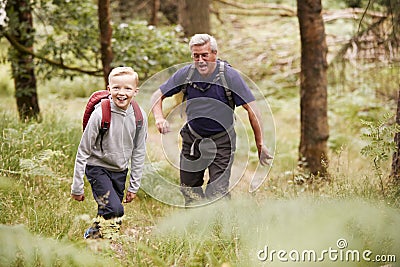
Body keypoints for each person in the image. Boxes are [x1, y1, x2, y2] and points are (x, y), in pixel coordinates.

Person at [151, 33, 272, 206]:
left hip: (222, 140)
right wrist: (159, 118)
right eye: (196, 56)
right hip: (192, 139)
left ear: (214, 54)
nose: (200, 60)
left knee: (217, 192)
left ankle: (218, 228)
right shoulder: (186, 74)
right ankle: (195, 228)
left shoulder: (230, 76)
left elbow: (252, 110)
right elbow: (158, 95)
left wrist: (260, 144)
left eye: (204, 55)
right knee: (189, 191)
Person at [71, 67, 147, 239]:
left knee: (107, 211)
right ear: (108, 89)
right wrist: (77, 186)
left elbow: (139, 151)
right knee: (115, 209)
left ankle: (96, 240)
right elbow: (83, 151)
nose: (122, 93)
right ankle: (96, 236)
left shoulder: (139, 116)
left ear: (136, 91)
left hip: (120, 171)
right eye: (116, 88)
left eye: (128, 88)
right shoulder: (100, 114)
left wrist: (134, 185)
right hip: (97, 167)